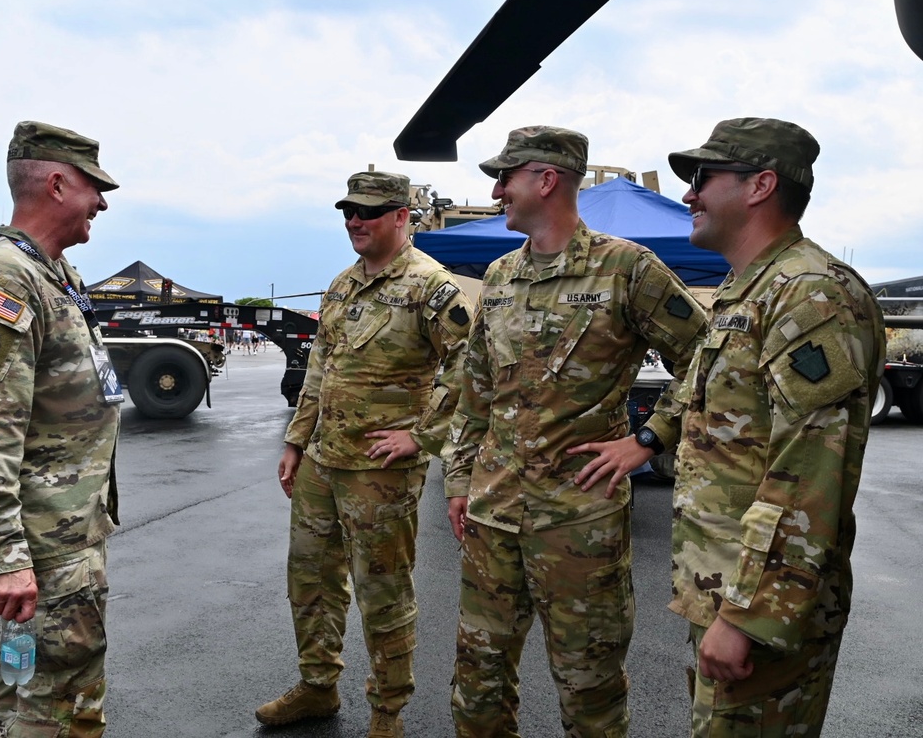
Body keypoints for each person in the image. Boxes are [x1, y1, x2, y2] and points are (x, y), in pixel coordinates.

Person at [580, 118, 885, 737]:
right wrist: (647, 440)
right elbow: (704, 395)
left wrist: (747, 614)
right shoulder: (749, 288)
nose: (688, 195)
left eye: (703, 178)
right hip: (728, 586)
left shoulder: (810, 295)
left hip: (762, 606)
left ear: (760, 185)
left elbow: (809, 476)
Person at [443, 125, 707, 737]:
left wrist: (649, 438)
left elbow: (708, 356)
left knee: (589, 690)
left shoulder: (626, 268)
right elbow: (475, 388)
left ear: (546, 179)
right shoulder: (502, 275)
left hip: (578, 523)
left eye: (505, 176)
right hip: (492, 514)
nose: (497, 189)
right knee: (477, 680)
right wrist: (460, 479)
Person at [255, 171, 472, 738]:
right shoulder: (342, 286)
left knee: (382, 591)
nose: (355, 220)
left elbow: (470, 368)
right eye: (349, 210)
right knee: (310, 581)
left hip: (381, 472)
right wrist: (296, 441)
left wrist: (421, 438)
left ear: (402, 216)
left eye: (369, 211)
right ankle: (318, 686)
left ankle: (387, 711)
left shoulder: (433, 288)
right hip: (323, 464)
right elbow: (318, 373)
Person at [0, 120, 123, 736]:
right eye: (92, 187)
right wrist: (3, 557)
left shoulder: (53, 272)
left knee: (41, 680)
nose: (101, 201)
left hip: (69, 531)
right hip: (41, 543)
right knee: (47, 696)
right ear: (55, 184)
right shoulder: (5, 279)